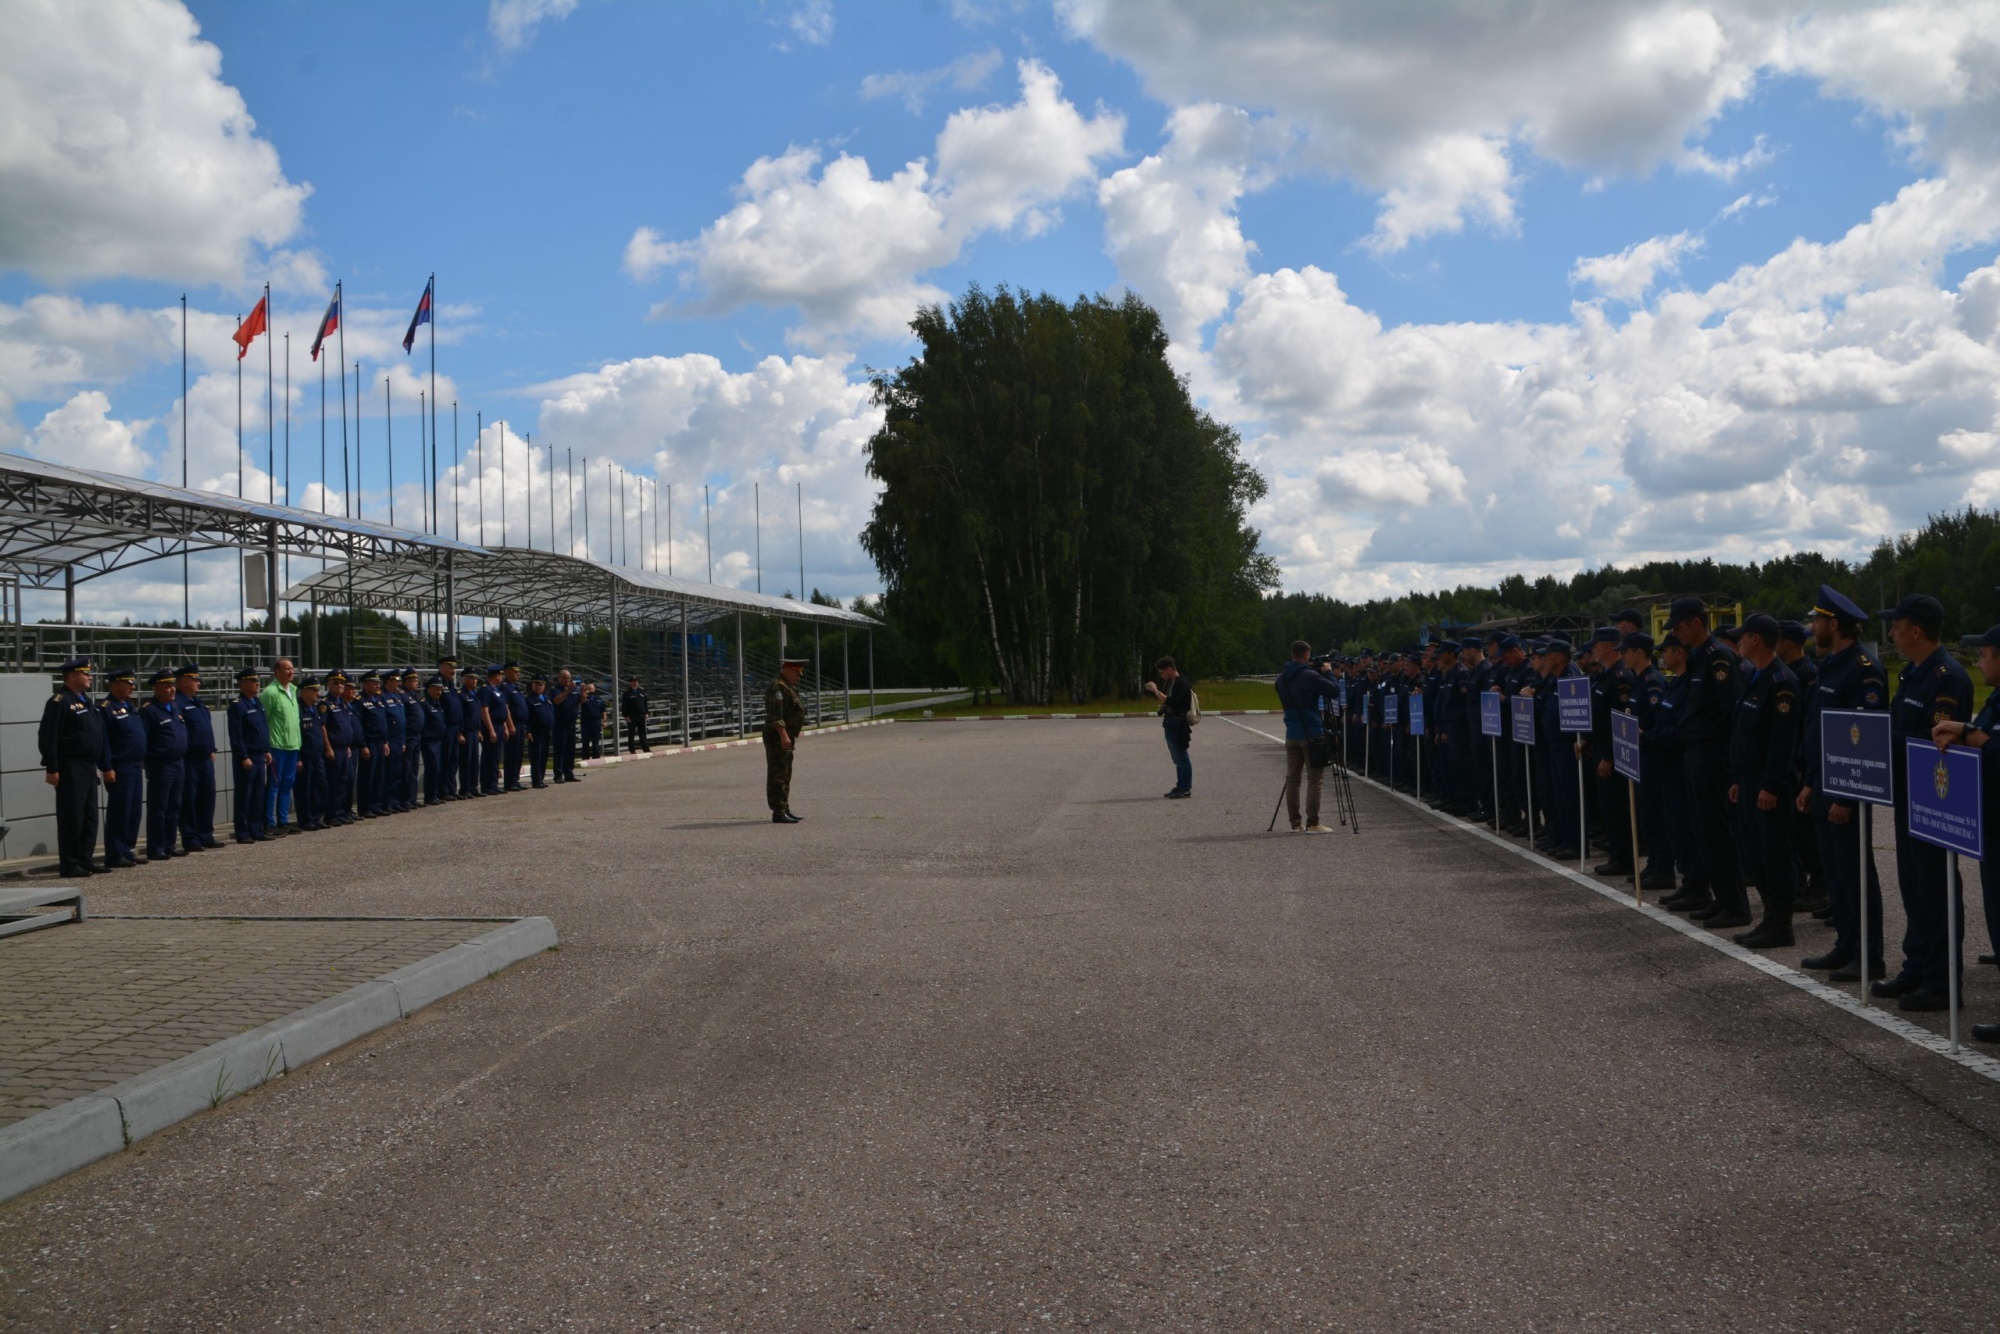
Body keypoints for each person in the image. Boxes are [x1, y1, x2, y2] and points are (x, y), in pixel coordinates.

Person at [1874, 593, 1973, 1012]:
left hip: (1935, 800)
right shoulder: (1914, 674)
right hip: (1908, 796)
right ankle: (1917, 966)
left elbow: (1936, 742)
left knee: (1935, 888)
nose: (1892, 634)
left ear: (1915, 630)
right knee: (1913, 886)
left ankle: (1941, 979)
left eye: (1896, 627)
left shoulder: (1946, 677)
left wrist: (1880, 739)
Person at [1796, 586, 1889, 981]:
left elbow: (1865, 741)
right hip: (1821, 784)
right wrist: (1809, 782)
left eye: (1817, 619)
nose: (1812, 626)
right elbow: (1819, 733)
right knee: (1835, 874)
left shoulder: (1863, 669)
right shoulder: (1831, 664)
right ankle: (1846, 945)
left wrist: (1846, 798)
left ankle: (1869, 956)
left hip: (1845, 791)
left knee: (1855, 874)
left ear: (1835, 624)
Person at [1930, 620, 2000, 1043]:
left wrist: (1966, 732)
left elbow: (1996, 751)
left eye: (1986, 654)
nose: (1980, 661)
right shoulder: (1994, 698)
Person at [1667, 598, 1749, 930]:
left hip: (1713, 757)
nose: (1675, 633)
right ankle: (1721, 898)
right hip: (1695, 754)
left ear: (1696, 624)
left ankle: (1736, 905)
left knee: (1719, 833)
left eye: (1679, 626)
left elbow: (1732, 715)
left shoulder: (1719, 659)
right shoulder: (1699, 658)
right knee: (1704, 833)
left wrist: (1734, 767)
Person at [1726, 615, 1803, 947]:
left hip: (1770, 785)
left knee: (1774, 856)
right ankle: (1768, 919)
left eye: (1741, 637)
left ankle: (1781, 924)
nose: (1737, 642)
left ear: (1755, 639)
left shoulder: (1781, 682)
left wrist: (1771, 784)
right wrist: (1739, 779)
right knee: (1756, 855)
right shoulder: (1756, 678)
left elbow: (1782, 742)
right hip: (1749, 781)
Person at [39, 656, 105, 877]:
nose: (90, 677)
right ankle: (69, 863)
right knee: (72, 817)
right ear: (74, 676)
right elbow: (49, 736)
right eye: (86, 673)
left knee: (90, 817)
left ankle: (85, 859)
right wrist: (51, 767)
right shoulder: (59, 701)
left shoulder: (85, 700)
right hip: (70, 766)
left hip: (87, 766)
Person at [1275, 640, 1341, 833]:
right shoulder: (1309, 676)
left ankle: (1295, 823)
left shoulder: (1281, 679)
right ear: (1305, 655)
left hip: (1291, 732)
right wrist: (1328, 672)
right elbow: (1334, 691)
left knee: (1293, 779)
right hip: (1311, 731)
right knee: (1315, 779)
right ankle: (1313, 822)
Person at [98, 666, 144, 869]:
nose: (132, 687)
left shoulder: (129, 706)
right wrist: (107, 766)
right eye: (128, 683)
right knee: (120, 811)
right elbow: (104, 741)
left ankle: (126, 849)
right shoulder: (107, 708)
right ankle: (115, 853)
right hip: (120, 766)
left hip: (135, 765)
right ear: (115, 684)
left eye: (132, 683)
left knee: (134, 811)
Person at [140, 667, 188, 861]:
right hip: (161, 764)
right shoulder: (149, 710)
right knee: (159, 807)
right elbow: (143, 739)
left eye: (173, 685)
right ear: (157, 687)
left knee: (175, 805)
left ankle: (170, 844)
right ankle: (156, 846)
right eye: (167, 685)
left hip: (178, 762)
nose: (172, 689)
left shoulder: (175, 707)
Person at [176, 663, 221, 852]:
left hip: (205, 758)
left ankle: (206, 835)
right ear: (183, 682)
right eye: (194, 680)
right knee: (189, 799)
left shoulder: (197, 702)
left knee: (207, 797)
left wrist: (212, 748)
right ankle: (191, 838)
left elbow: (205, 729)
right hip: (189, 759)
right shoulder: (178, 703)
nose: (198, 684)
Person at [227, 666, 273, 843]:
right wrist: (243, 756)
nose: (256, 684)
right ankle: (243, 831)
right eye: (252, 681)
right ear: (243, 684)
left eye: (257, 681)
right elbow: (236, 735)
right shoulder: (238, 706)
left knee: (257, 794)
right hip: (247, 756)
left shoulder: (257, 703)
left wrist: (267, 749)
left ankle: (256, 829)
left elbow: (263, 728)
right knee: (244, 795)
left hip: (259, 754)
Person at [763, 654, 809, 823]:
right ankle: (778, 811)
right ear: (789, 670)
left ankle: (784, 807)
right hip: (777, 736)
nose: (798, 677)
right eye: (797, 674)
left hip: (785, 736)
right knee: (778, 773)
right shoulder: (778, 687)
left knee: (785, 772)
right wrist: (783, 736)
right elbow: (776, 715)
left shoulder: (786, 686)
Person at [1142, 656, 1195, 798]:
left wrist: (1156, 691)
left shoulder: (1182, 683)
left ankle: (1186, 788)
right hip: (1171, 724)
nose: (1161, 675)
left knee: (1182, 756)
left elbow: (1175, 703)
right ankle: (1180, 786)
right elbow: (1171, 703)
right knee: (1177, 758)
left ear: (1170, 669)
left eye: (1162, 672)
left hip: (1178, 725)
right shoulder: (1174, 683)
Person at [261, 657, 300, 834]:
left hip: (292, 746)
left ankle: (283, 820)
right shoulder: (270, 693)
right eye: (286, 669)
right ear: (277, 672)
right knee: (275, 784)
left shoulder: (293, 690)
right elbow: (263, 721)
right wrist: (266, 747)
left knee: (287, 784)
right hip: (277, 746)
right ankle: (270, 822)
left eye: (292, 669)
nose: (291, 672)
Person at [295, 674, 331, 832]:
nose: (318, 693)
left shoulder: (315, 709)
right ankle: (305, 819)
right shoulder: (297, 709)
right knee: (305, 788)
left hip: (317, 755)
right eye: (315, 690)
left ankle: (317, 817)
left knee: (321, 786)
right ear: (305, 691)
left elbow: (320, 730)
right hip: (305, 755)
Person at [323, 670, 359, 825]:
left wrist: (348, 745)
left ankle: (345, 812)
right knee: (336, 783)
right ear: (328, 685)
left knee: (348, 780)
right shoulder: (325, 704)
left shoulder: (342, 703)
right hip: (335, 749)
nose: (339, 686)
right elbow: (323, 727)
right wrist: (328, 747)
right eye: (335, 683)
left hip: (345, 749)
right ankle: (333, 815)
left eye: (342, 683)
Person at [356, 669, 389, 817]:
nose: (377, 686)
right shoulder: (360, 701)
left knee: (379, 776)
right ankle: (365, 807)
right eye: (374, 683)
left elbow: (383, 722)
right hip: (369, 742)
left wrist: (385, 741)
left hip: (379, 742)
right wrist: (363, 745)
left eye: (378, 683)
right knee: (367, 777)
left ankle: (377, 804)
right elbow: (359, 725)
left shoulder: (379, 699)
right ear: (366, 684)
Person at [435, 656, 464, 801]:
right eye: (450, 667)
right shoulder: (438, 682)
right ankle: (443, 790)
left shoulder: (450, 684)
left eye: (454, 667)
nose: (453, 670)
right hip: (445, 728)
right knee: (445, 760)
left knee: (453, 760)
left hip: (454, 728)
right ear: (441, 667)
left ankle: (451, 789)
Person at [478, 665, 510, 795]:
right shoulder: (486, 690)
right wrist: (491, 730)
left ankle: (494, 783)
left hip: (499, 725)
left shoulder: (496, 690)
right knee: (490, 757)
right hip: (492, 726)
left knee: (496, 757)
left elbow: (502, 709)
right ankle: (488, 785)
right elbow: (484, 711)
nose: (501, 678)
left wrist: (505, 726)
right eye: (500, 675)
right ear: (496, 676)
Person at [420, 675, 449, 806]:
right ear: (429, 688)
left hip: (438, 740)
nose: (439, 692)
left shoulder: (437, 703)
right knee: (432, 768)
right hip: (429, 741)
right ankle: (430, 796)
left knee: (438, 768)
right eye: (437, 689)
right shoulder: (424, 703)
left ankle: (435, 794)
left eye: (441, 690)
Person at [502, 661, 529, 790]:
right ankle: (509, 782)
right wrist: (510, 724)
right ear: (506, 671)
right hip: (513, 724)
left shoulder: (515, 687)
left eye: (518, 671)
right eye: (514, 671)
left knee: (518, 754)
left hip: (520, 725)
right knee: (511, 754)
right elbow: (506, 707)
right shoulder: (505, 687)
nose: (517, 673)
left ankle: (515, 779)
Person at [551, 669, 582, 783]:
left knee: (570, 749)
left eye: (569, 678)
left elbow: (581, 701)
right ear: (559, 678)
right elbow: (557, 701)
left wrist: (583, 692)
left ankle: (569, 772)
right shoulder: (555, 690)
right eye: (564, 678)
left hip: (571, 723)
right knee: (560, 749)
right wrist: (568, 690)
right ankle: (558, 774)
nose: (567, 680)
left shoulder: (574, 690)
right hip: (560, 723)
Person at [525, 672, 554, 788]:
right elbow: (526, 717)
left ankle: (541, 778)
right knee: (536, 757)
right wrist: (528, 731)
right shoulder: (529, 699)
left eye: (541, 684)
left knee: (544, 756)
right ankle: (536, 780)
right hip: (535, 732)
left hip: (546, 732)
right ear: (532, 685)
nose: (539, 686)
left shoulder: (546, 698)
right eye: (536, 684)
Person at [622, 674, 651, 753]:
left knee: (642, 733)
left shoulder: (641, 691)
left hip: (641, 715)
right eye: (633, 681)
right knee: (631, 733)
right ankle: (632, 749)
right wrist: (625, 715)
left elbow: (645, 703)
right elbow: (624, 705)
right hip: (632, 716)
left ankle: (645, 748)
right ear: (630, 683)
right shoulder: (627, 692)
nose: (635, 683)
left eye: (636, 681)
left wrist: (646, 713)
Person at [581, 681, 606, 759]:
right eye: (588, 688)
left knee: (595, 740)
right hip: (586, 722)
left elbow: (603, 711)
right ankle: (585, 757)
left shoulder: (599, 699)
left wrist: (604, 721)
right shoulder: (584, 698)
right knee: (585, 741)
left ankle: (596, 756)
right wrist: (584, 693)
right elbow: (581, 702)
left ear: (594, 689)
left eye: (591, 688)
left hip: (596, 722)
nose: (590, 689)